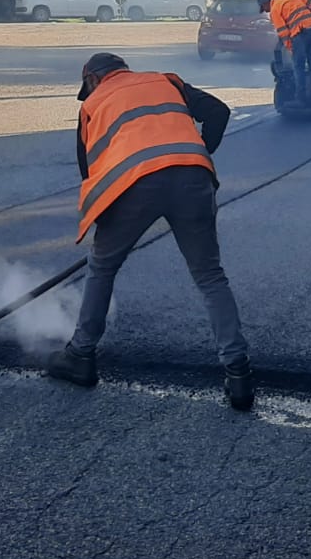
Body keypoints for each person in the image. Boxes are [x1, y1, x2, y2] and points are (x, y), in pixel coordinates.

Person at [49, 52, 255, 410]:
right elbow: (219, 111)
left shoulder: (92, 105)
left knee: (102, 267)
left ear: (93, 80)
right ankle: (238, 375)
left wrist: (108, 226)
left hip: (133, 186)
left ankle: (80, 355)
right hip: (193, 176)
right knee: (209, 276)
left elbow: (90, 174)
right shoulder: (166, 81)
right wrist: (198, 154)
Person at [259, 0, 311, 106]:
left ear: (266, 3)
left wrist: (290, 48)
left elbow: (283, 33)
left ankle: (301, 97)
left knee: (299, 66)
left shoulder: (274, 10)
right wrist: (304, 17)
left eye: (263, 8)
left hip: (301, 33)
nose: (265, 11)